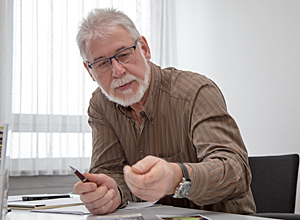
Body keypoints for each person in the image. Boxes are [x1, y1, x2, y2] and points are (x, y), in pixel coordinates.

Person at [74, 8, 256, 215]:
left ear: (144, 48)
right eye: (102, 64)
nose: (117, 71)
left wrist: (177, 177)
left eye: (124, 54)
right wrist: (111, 192)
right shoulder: (101, 104)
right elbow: (109, 171)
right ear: (90, 71)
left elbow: (235, 172)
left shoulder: (196, 92)